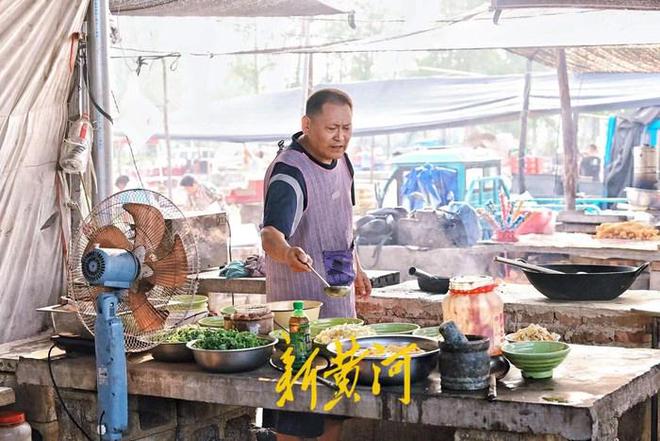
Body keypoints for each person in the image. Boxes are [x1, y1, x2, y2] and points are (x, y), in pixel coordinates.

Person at [260, 88, 372, 441]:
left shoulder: (344, 163)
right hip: (300, 321)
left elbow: (341, 225)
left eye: (347, 128)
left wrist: (357, 267)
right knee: (298, 414)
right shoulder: (290, 173)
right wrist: (286, 253)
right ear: (306, 125)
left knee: (334, 411)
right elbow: (271, 235)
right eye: (331, 128)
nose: (340, 137)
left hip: (340, 317)